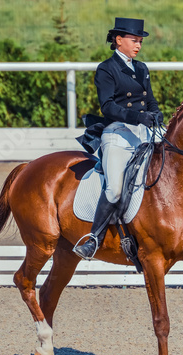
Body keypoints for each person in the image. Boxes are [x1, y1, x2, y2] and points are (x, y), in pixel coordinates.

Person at [73, 17, 163, 260]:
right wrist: (137, 117)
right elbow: (108, 107)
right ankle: (94, 239)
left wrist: (155, 112)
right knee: (114, 190)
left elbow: (150, 99)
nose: (138, 45)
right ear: (118, 39)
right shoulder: (106, 68)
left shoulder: (141, 68)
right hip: (118, 134)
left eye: (140, 41)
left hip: (144, 132)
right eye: (134, 40)